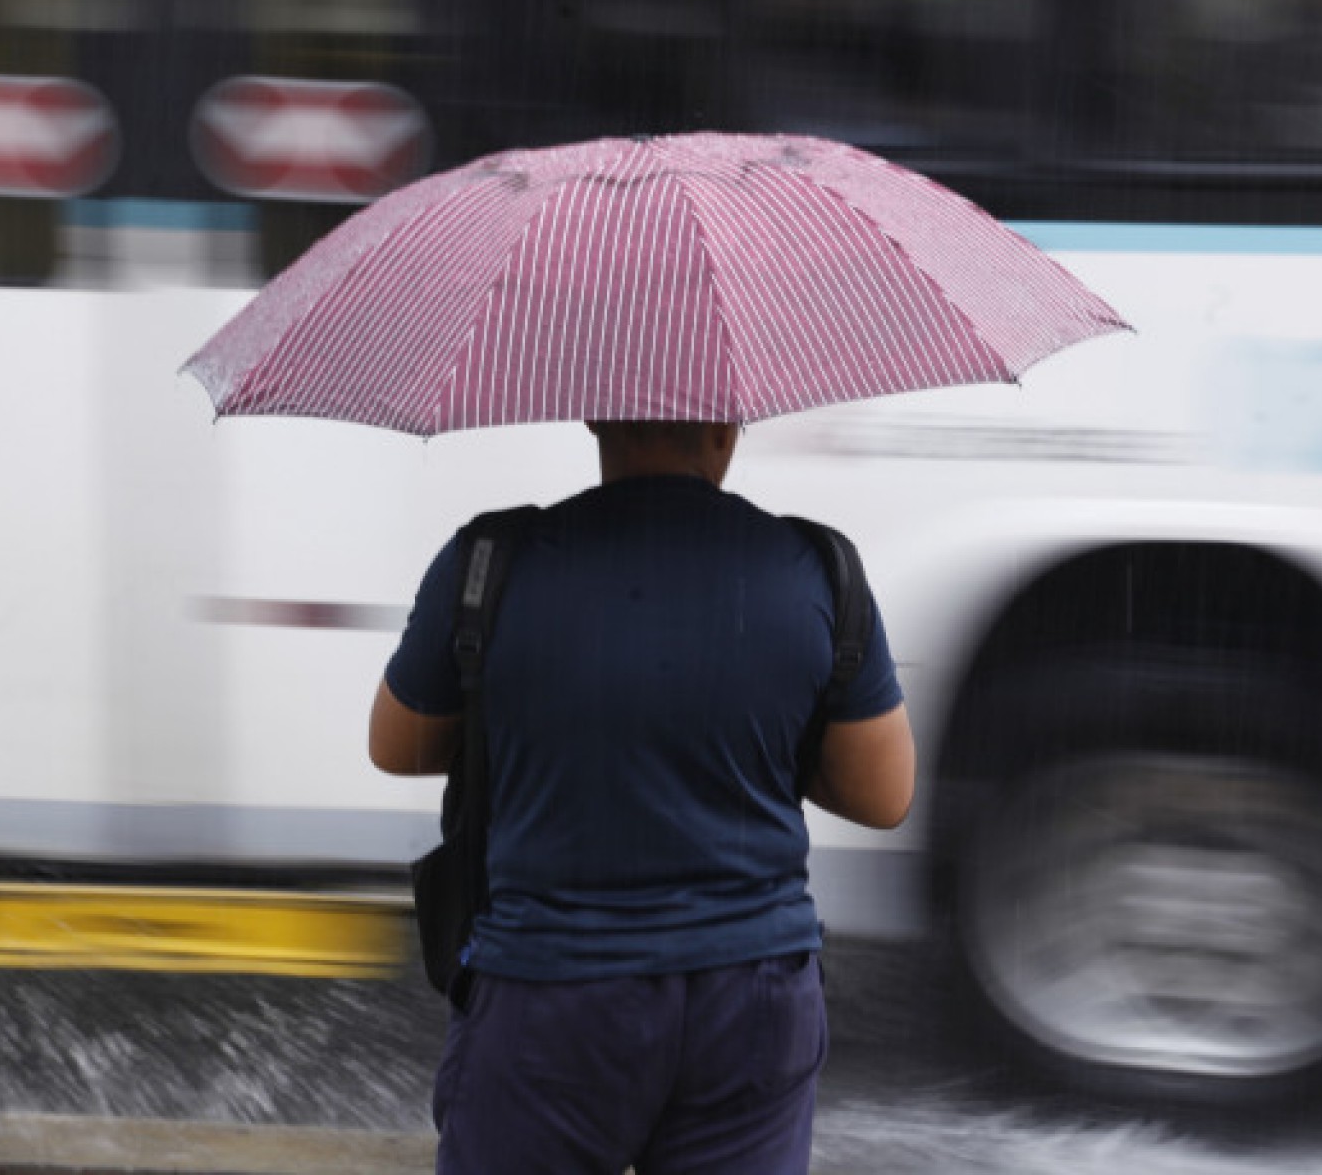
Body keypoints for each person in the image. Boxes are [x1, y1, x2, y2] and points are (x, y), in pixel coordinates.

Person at [368, 419, 916, 1175]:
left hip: (546, 996)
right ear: (731, 420)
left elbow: (397, 746)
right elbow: (884, 794)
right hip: (752, 995)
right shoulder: (820, 571)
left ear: (595, 415)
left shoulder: (489, 564)